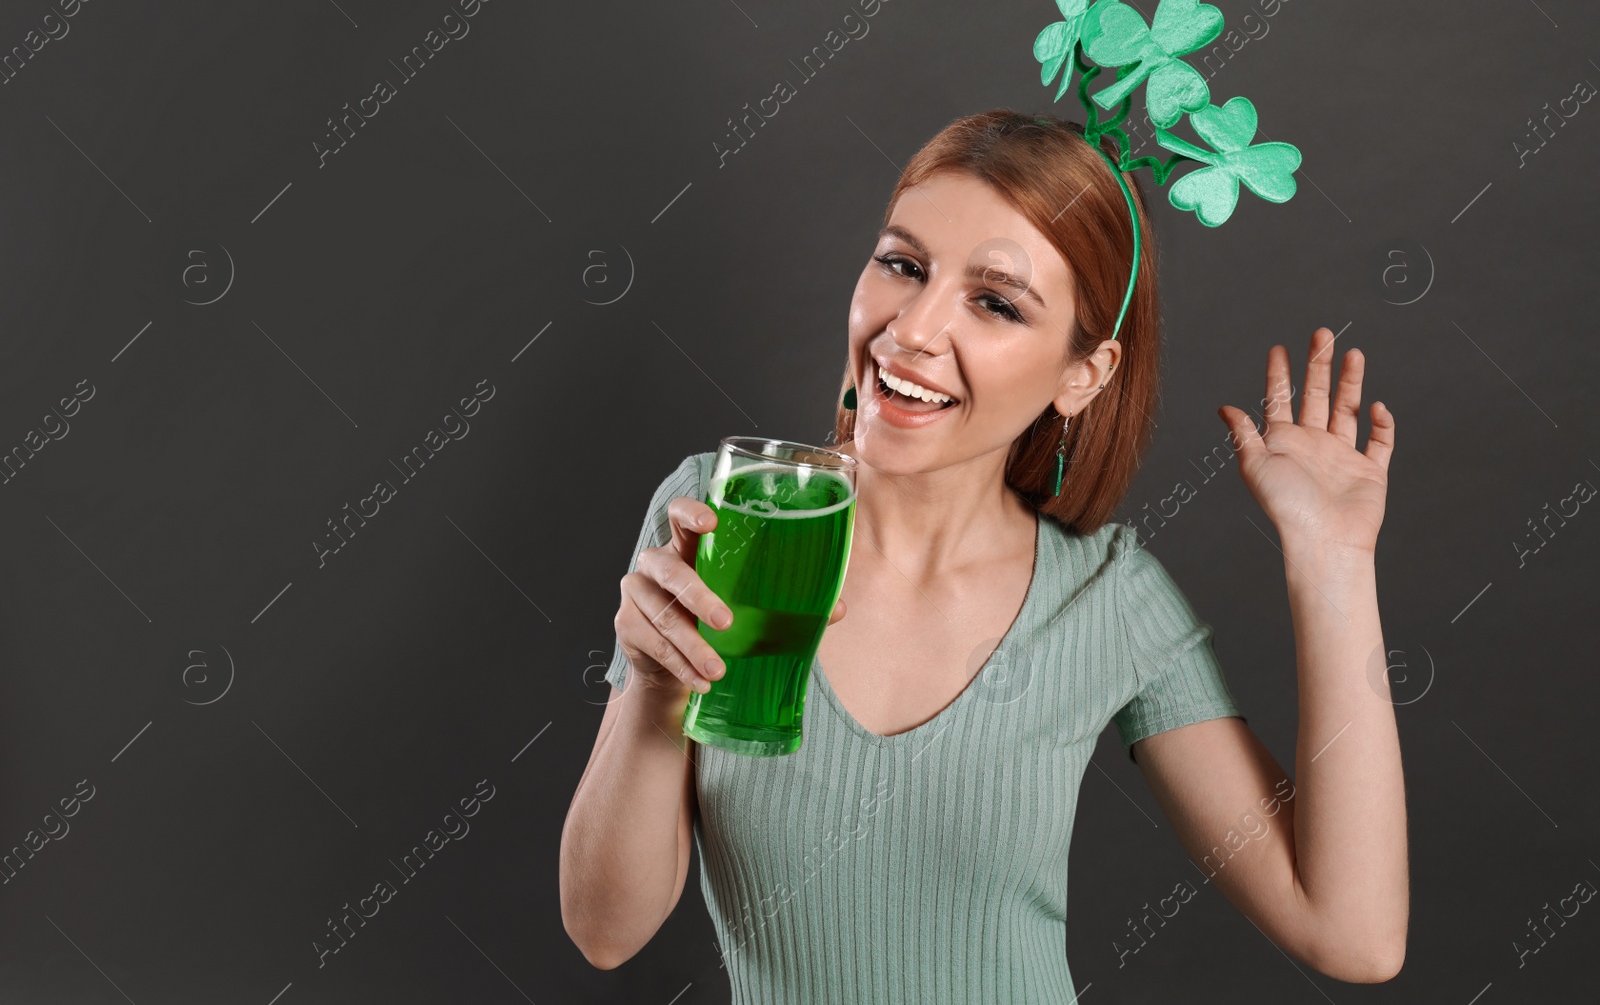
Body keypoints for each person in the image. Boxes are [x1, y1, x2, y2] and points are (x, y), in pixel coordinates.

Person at [560, 110, 1406, 1001]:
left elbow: (1353, 934)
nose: (914, 330)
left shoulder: (1107, 595)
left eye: (996, 302)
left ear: (1084, 373)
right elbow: (605, 930)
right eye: (903, 264)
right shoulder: (729, 510)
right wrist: (655, 691)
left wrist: (1333, 558)